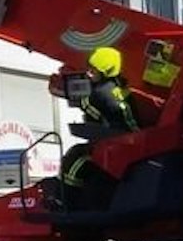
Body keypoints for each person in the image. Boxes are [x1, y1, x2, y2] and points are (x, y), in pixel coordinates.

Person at [56, 46, 141, 210]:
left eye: (93, 71)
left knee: (75, 158)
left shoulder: (100, 93)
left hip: (118, 144)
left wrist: (62, 92)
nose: (89, 73)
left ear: (105, 72)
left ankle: (66, 202)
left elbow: (87, 108)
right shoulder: (119, 88)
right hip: (130, 140)